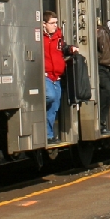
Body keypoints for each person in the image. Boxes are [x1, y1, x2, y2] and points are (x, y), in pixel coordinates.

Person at [41, 11, 78, 142]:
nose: (55, 25)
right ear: (44, 24)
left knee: (54, 107)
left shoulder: (58, 36)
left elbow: (62, 49)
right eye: (52, 23)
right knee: (49, 96)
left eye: (56, 22)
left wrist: (70, 49)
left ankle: (49, 135)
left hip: (57, 77)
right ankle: (44, 128)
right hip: (46, 75)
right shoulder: (40, 38)